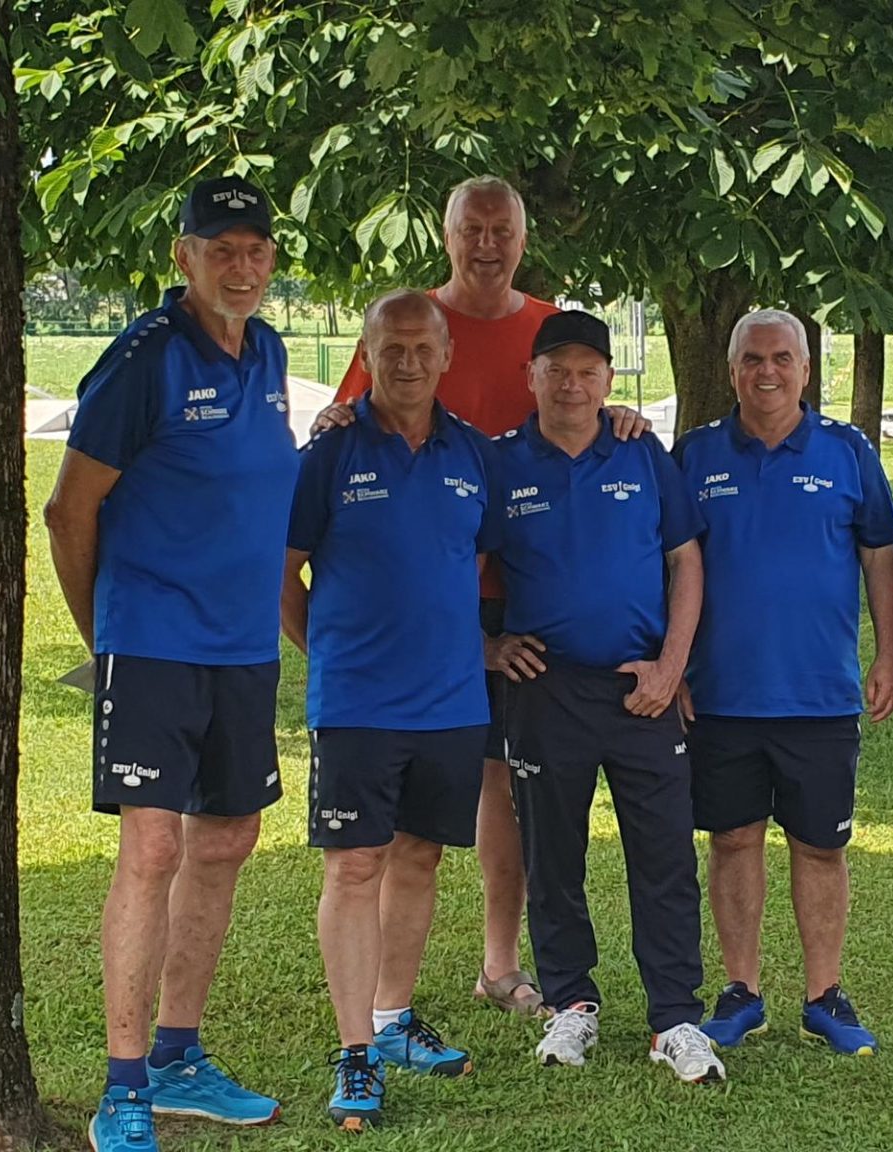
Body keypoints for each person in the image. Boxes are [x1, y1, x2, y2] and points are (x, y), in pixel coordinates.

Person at [309, 176, 647, 1019]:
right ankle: (379, 1002)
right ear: (448, 235)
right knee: (402, 817)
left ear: (523, 239)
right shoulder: (409, 322)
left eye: (502, 230)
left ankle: (500, 962)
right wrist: (329, 422)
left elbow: (582, 404)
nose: (488, 245)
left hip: (522, 599)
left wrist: (625, 417)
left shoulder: (549, 326)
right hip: (422, 608)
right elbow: (349, 419)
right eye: (473, 229)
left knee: (506, 788)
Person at [43, 175, 294, 1152]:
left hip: (243, 647)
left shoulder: (267, 352)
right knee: (152, 851)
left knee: (226, 841)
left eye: (255, 250)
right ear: (184, 257)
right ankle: (124, 1087)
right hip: (152, 642)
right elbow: (69, 510)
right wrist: (103, 636)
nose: (241, 267)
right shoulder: (144, 358)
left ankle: (180, 1056)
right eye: (220, 250)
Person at [483, 310, 722, 1082]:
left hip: (639, 689)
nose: (572, 384)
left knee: (665, 855)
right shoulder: (500, 463)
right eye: (556, 369)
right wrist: (485, 647)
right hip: (544, 689)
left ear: (609, 380)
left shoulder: (640, 451)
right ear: (531, 376)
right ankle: (571, 1005)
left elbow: (686, 561)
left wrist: (670, 667)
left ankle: (675, 1017)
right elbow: (449, 559)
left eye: (588, 371)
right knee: (553, 855)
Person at [279, 291, 499, 1130]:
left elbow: (469, 561)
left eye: (421, 348)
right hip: (357, 704)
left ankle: (394, 1018)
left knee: (419, 857)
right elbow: (283, 572)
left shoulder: (473, 453)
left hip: (451, 704)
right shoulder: (330, 452)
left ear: (446, 355)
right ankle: (356, 1052)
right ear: (366, 354)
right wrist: (328, 649)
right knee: (354, 865)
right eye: (391, 348)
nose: (407, 363)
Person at [668, 310, 893, 1056]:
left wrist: (890, 656)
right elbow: (667, 563)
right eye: (751, 359)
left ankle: (824, 995)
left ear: (805, 369)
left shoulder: (848, 452)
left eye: (780, 358)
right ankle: (741, 990)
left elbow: (881, 557)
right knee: (733, 840)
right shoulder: (695, 455)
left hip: (819, 694)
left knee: (820, 847)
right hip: (721, 694)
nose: (765, 372)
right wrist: (671, 663)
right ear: (731, 369)